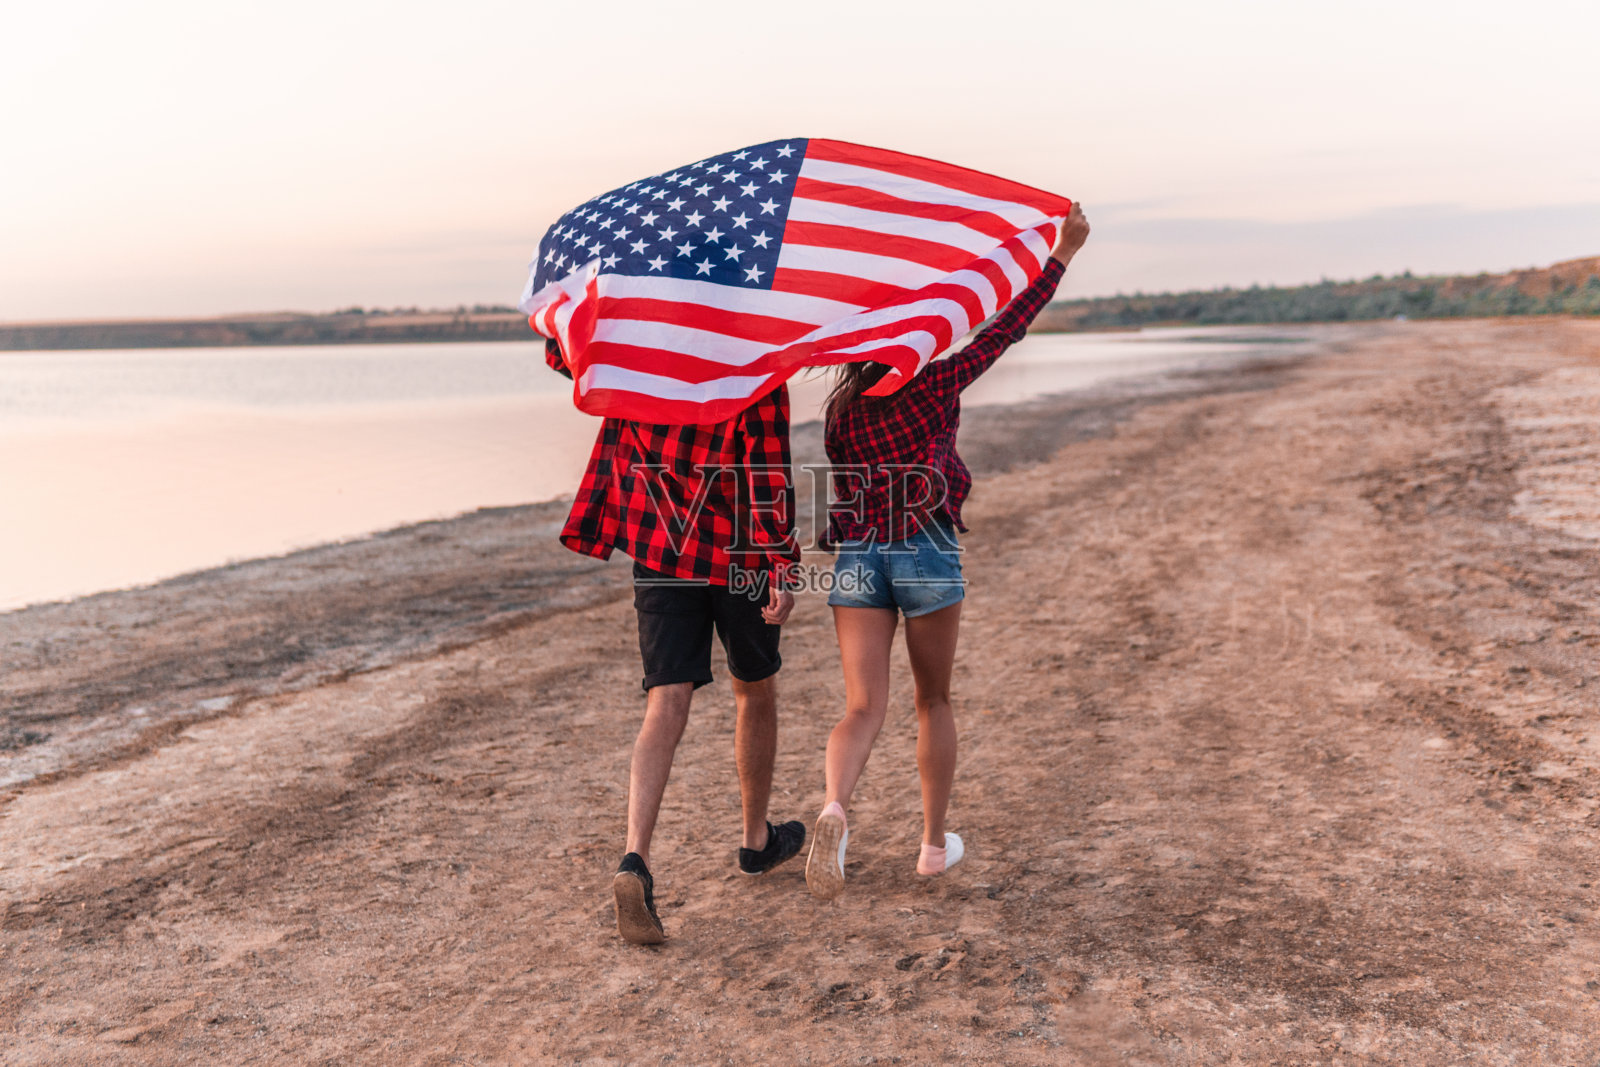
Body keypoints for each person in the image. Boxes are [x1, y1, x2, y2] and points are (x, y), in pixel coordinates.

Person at [804, 204, 1092, 899]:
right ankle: (933, 847)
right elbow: (1009, 328)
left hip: (859, 553)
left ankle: (834, 808)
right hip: (924, 545)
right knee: (932, 700)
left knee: (861, 706)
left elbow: (845, 493)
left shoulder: (841, 410)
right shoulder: (934, 380)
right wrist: (1062, 253)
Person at [547, 339, 807, 944]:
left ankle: (634, 857)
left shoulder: (636, 354)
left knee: (665, 703)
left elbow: (567, 357)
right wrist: (782, 568)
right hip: (735, 553)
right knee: (755, 689)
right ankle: (755, 840)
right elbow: (767, 477)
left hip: (661, 552)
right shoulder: (757, 361)